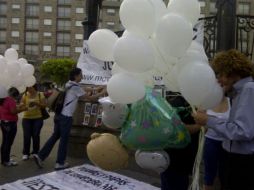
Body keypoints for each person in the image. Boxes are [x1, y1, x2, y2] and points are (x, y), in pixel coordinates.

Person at [193, 49, 254, 190]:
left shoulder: (248, 90)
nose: (218, 79)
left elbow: (243, 131)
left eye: (220, 74)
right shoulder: (239, 91)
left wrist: (209, 120)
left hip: (242, 161)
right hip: (233, 157)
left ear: (232, 73)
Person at [34, 67, 106, 170]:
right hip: (66, 117)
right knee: (64, 140)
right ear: (76, 76)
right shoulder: (75, 87)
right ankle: (60, 162)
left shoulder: (68, 84)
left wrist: (97, 88)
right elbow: (89, 97)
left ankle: (40, 156)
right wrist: (102, 93)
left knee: (55, 136)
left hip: (59, 116)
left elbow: (85, 89)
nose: (82, 76)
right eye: (81, 75)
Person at [160, 91, 200, 190]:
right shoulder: (179, 104)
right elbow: (177, 128)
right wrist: (200, 126)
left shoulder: (180, 102)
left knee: (170, 181)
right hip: (177, 155)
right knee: (175, 182)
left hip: (173, 155)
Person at [203, 96, 230, 190]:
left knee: (225, 174)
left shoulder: (231, 101)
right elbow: (199, 120)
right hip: (211, 141)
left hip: (227, 142)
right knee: (209, 175)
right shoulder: (206, 102)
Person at [0, 87, 27, 166]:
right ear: (15, 95)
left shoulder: (3, 100)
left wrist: (18, 106)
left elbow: (8, 109)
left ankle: (4, 159)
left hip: (3, 122)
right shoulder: (10, 100)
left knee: (5, 142)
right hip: (10, 124)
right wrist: (23, 109)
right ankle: (7, 161)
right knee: (8, 142)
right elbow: (13, 111)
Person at [21, 84, 47, 160]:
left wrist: (36, 103)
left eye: (30, 88)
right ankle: (26, 153)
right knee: (27, 136)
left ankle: (36, 152)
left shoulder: (40, 94)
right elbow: (22, 104)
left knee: (36, 135)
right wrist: (23, 106)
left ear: (34, 87)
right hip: (26, 118)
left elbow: (44, 105)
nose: (29, 90)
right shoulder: (25, 95)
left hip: (37, 118)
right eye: (28, 88)